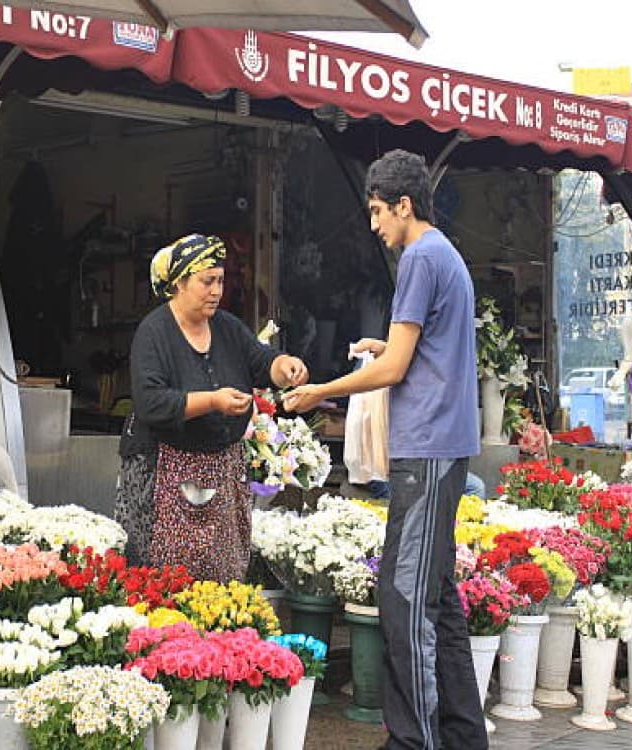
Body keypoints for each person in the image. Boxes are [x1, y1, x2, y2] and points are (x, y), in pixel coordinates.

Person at [284, 150, 487, 750]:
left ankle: (414, 741)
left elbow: (396, 366)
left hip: (426, 451)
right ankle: (460, 736)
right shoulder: (443, 254)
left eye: (377, 211)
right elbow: (420, 349)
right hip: (441, 446)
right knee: (437, 599)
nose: (374, 225)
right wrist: (386, 346)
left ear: (404, 205)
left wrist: (323, 389)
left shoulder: (421, 258)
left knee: (404, 600)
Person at [114, 233, 309, 583]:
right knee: (166, 578)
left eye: (220, 281)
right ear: (179, 284)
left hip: (222, 472)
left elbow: (262, 360)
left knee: (221, 575)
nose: (216, 290)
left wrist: (285, 366)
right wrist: (212, 400)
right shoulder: (154, 332)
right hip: (166, 473)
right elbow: (150, 402)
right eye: (207, 281)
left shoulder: (227, 327)